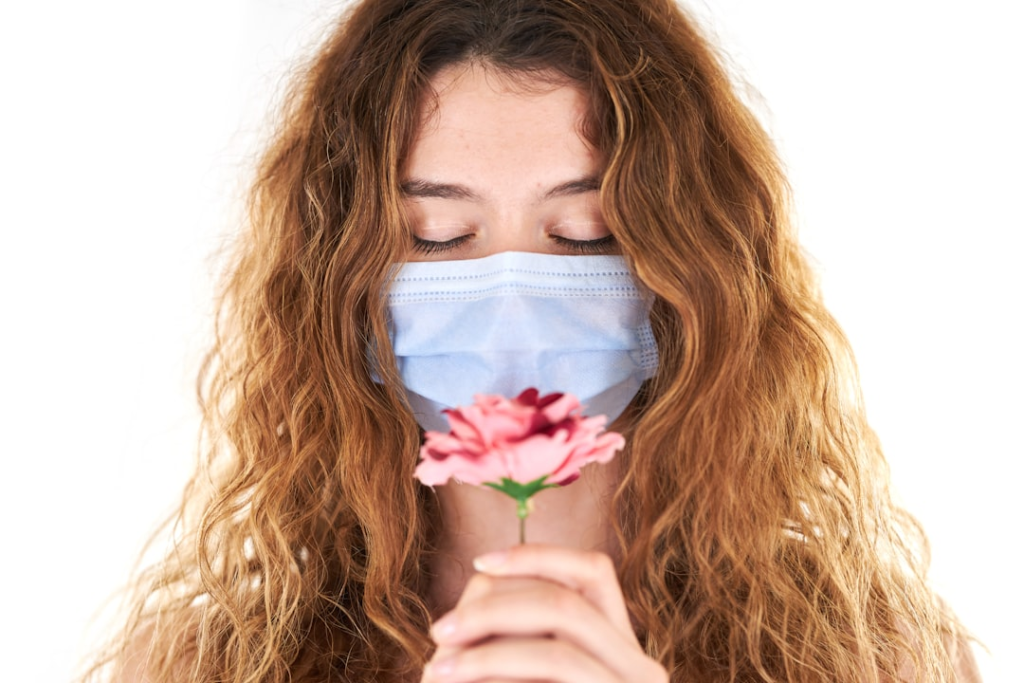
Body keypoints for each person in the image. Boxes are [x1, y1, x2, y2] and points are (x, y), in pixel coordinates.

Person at [81, 0, 981, 681]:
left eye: (586, 235)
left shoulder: (880, 658)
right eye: (437, 237)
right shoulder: (204, 663)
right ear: (340, 287)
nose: (511, 304)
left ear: (692, 274)